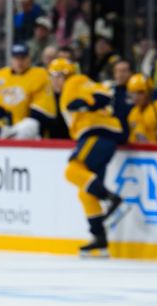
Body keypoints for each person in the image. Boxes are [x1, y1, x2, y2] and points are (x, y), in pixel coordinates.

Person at [48, 58, 124, 256]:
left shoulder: (75, 82)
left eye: (56, 76)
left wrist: (86, 103)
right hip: (99, 136)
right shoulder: (74, 86)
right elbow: (102, 94)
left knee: (72, 171)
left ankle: (110, 198)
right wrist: (85, 103)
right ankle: (100, 238)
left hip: (96, 134)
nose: (54, 81)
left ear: (64, 75)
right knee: (86, 191)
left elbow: (104, 94)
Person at [0, 43, 56, 139]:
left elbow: (42, 111)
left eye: (23, 58)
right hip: (2, 127)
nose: (19, 62)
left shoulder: (40, 75)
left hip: (26, 130)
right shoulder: (0, 75)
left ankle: (9, 136)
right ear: (11, 59)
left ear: (29, 58)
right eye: (16, 58)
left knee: (30, 125)